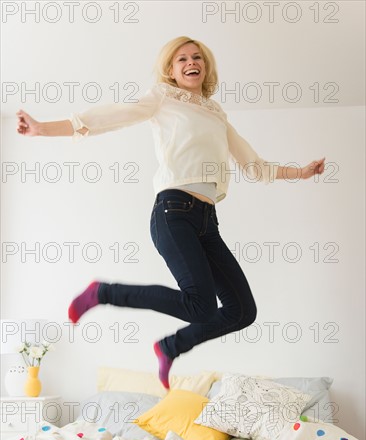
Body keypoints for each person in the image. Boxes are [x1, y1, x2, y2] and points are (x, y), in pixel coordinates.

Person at [16, 36, 325, 389]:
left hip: (207, 222)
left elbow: (253, 165)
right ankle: (101, 293)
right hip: (173, 211)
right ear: (171, 70)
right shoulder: (162, 98)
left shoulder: (216, 114)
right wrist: (44, 128)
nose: (191, 62)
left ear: (205, 67)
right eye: (182, 59)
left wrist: (299, 172)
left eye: (197, 57)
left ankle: (170, 347)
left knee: (242, 311)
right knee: (202, 306)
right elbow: (109, 116)